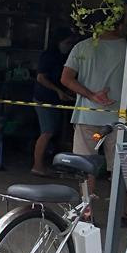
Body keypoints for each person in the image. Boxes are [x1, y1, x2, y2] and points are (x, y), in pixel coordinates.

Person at [61, 15, 127, 190]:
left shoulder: (82, 47)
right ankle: (119, 212)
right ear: (120, 25)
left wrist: (91, 95)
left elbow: (66, 79)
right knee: (119, 167)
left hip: (86, 115)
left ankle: (86, 210)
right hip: (119, 118)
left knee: (85, 166)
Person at [32, 28, 76, 176]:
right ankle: (37, 165)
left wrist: (64, 91)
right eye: (67, 42)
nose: (69, 45)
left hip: (55, 99)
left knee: (51, 131)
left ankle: (44, 164)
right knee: (47, 131)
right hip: (44, 98)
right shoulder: (48, 56)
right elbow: (41, 78)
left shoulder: (62, 56)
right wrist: (58, 91)